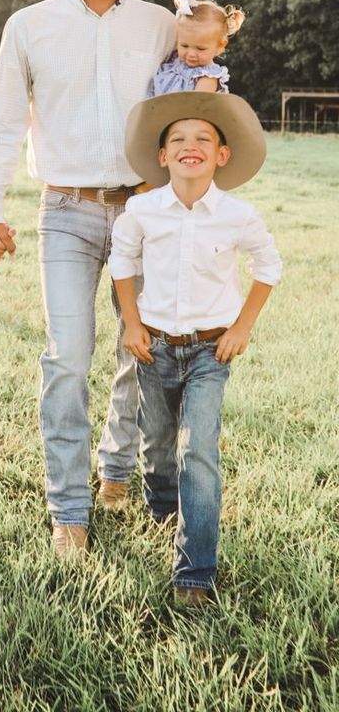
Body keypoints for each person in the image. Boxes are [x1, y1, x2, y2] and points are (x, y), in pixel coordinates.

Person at [0, 0, 177, 557]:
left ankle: (115, 469)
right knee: (68, 358)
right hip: (63, 211)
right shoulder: (29, 25)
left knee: (137, 350)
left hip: (141, 211)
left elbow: (196, 91)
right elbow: (2, 126)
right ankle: (69, 509)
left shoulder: (156, 26)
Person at [108, 91, 282, 607]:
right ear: (162, 156)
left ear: (221, 155)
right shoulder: (142, 209)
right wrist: (132, 326)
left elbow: (269, 267)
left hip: (211, 352)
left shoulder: (237, 215)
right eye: (177, 139)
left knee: (198, 450)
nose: (191, 145)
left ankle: (195, 573)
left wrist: (242, 326)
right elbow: (122, 264)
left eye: (203, 138)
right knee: (157, 445)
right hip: (153, 346)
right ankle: (163, 509)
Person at [149, 0, 245, 96]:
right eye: (184, 45)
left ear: (220, 46)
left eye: (200, 48)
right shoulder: (174, 61)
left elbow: (196, 106)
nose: (191, 54)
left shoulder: (207, 78)